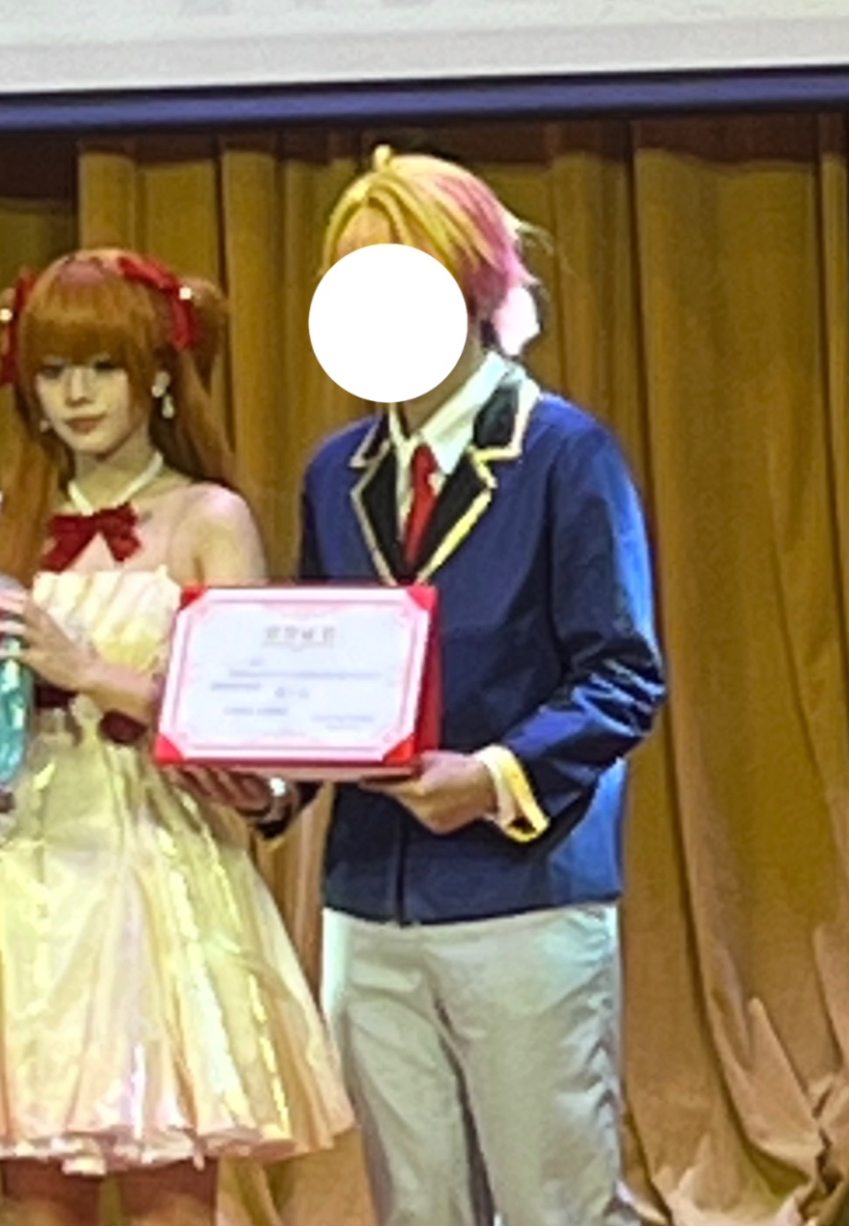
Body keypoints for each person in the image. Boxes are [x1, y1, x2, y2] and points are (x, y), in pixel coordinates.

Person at [0, 248, 354, 1226]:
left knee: (168, 1188)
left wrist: (89, 670)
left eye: (100, 366)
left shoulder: (207, 518)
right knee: (32, 1196)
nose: (76, 394)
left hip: (157, 862)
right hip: (25, 869)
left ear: (155, 373)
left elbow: (243, 725)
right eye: (53, 370)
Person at [280, 147, 667, 1225]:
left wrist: (490, 776)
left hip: (521, 896)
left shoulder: (562, 454)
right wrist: (263, 777)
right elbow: (320, 676)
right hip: (369, 898)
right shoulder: (336, 473)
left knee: (552, 1203)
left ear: (473, 285)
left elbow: (622, 674)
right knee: (415, 1207)